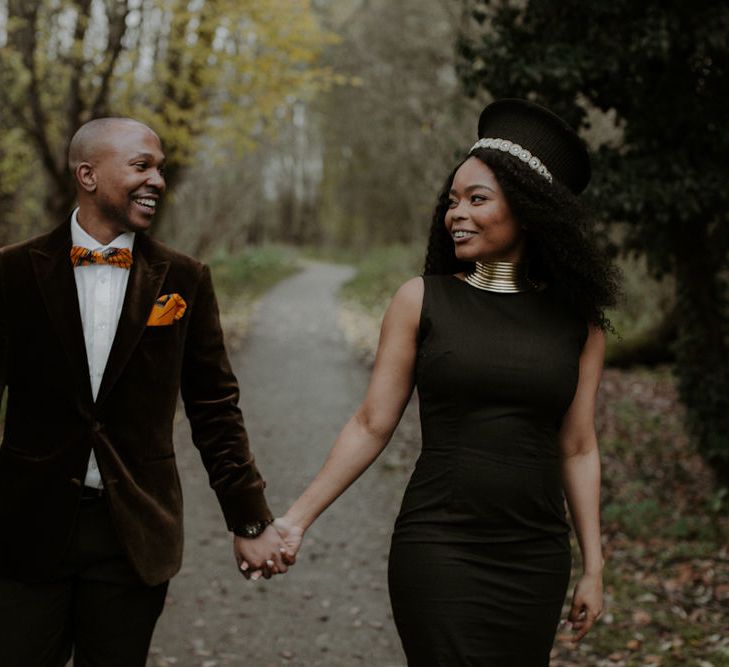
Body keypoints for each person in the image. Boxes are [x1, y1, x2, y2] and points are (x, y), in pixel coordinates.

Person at [266, 99, 618, 665]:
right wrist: (295, 520)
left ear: (527, 211)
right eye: (452, 200)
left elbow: (578, 447)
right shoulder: (422, 299)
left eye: (477, 199)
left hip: (534, 555)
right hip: (439, 547)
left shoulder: (580, 326)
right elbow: (370, 423)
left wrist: (594, 568)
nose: (456, 213)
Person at [0, 117, 291, 667]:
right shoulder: (12, 272)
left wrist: (249, 519)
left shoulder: (185, 279)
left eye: (160, 168)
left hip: (133, 533)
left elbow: (215, 410)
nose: (157, 179)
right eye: (141, 166)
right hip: (25, 528)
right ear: (88, 174)